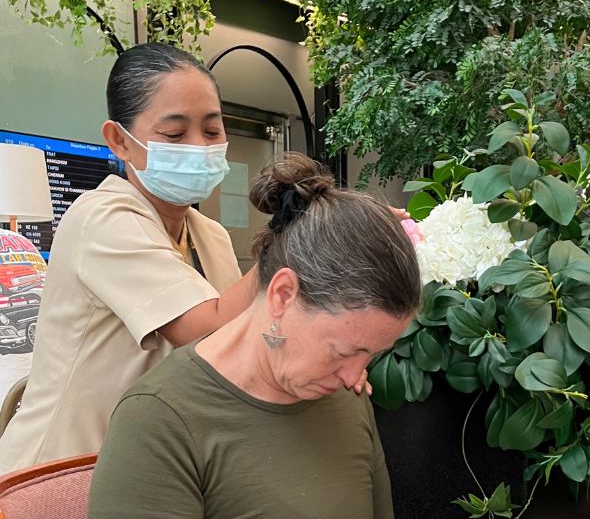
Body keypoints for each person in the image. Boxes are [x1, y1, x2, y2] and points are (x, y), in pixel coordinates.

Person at [0, 43, 371, 473]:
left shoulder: (207, 235)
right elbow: (208, 331)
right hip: (60, 474)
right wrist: (299, 236)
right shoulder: (100, 219)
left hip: (148, 465)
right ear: (119, 140)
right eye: (175, 134)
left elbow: (249, 336)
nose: (198, 147)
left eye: (212, 132)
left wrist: (334, 357)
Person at [88, 153, 420, 519]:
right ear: (283, 295)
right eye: (343, 351)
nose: (356, 376)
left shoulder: (345, 394)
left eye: (372, 355)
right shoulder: (160, 421)